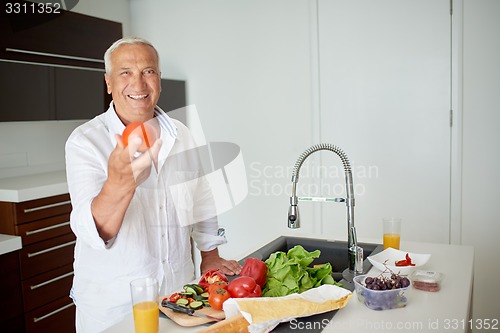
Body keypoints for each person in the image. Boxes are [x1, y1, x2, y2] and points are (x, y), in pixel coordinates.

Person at [65, 36, 241, 332]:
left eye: (148, 71)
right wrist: (119, 185)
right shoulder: (85, 141)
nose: (138, 83)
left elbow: (202, 198)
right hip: (113, 308)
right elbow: (95, 233)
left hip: (178, 298)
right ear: (108, 83)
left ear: (159, 80)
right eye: (125, 73)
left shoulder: (182, 133)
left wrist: (209, 256)